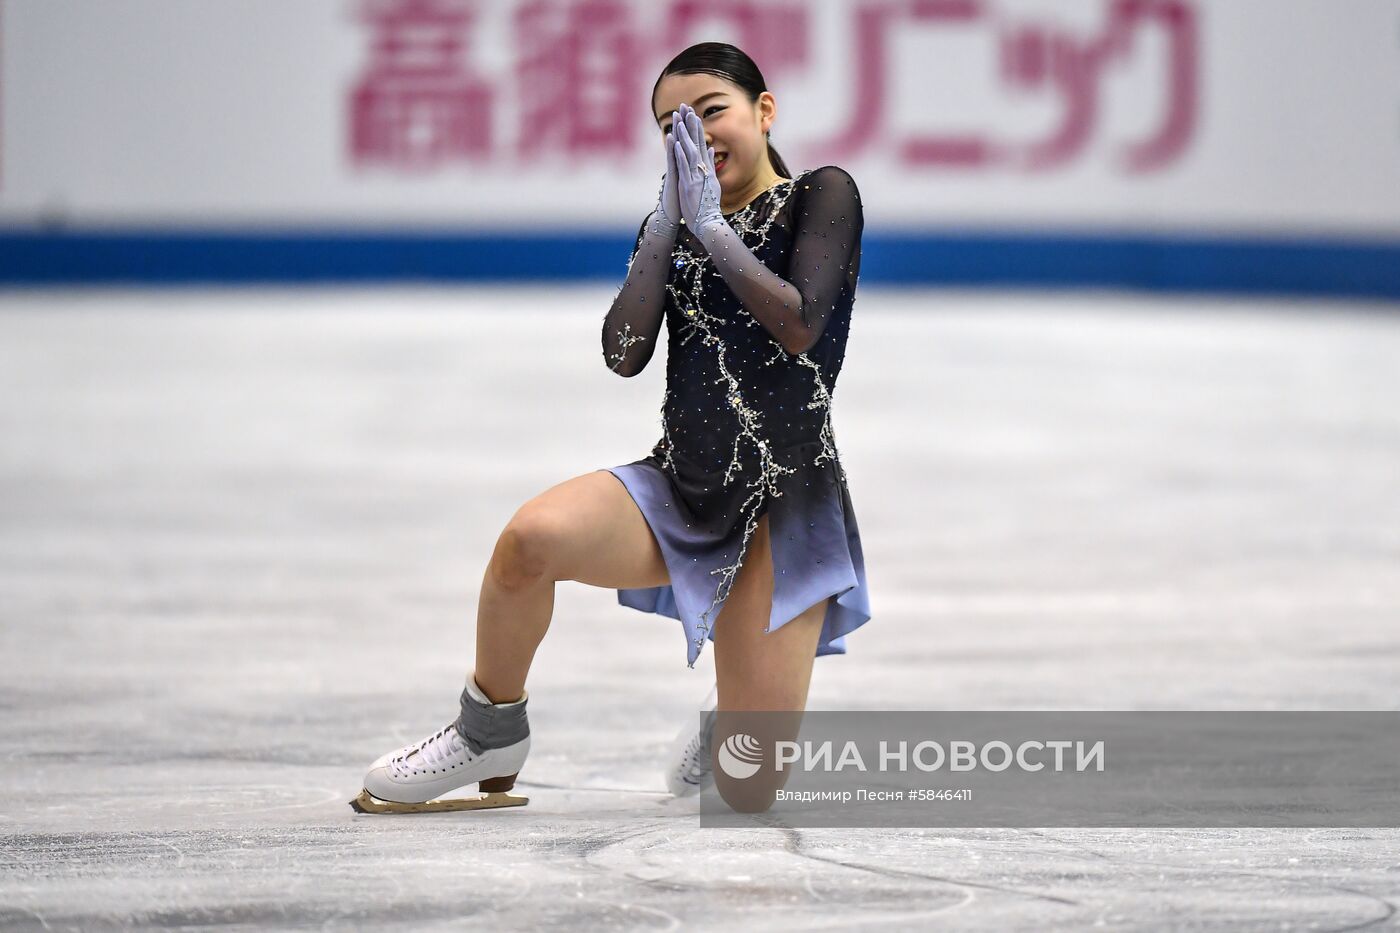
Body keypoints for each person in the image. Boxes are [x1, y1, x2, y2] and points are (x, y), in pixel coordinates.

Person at [351, 41, 871, 816]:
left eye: (712, 111)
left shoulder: (822, 195)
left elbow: (798, 325)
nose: (696, 135)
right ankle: (489, 731)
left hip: (781, 507)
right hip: (681, 486)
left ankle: (735, 707)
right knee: (527, 544)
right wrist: (663, 233)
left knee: (747, 789)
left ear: (765, 111)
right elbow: (623, 354)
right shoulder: (675, 227)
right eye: (672, 126)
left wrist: (713, 231)